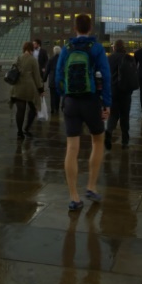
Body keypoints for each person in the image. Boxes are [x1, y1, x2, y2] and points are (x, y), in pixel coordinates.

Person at [55, 14, 111, 211]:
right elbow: (106, 76)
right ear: (90, 28)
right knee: (98, 141)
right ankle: (91, 186)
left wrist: (65, 95)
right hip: (91, 100)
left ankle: (74, 197)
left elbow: (58, 77)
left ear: (75, 28)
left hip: (71, 102)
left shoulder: (66, 48)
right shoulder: (96, 48)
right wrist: (107, 103)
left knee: (72, 148)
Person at [105, 40, 138, 150]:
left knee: (113, 114)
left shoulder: (109, 58)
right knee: (125, 115)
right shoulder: (128, 58)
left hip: (113, 90)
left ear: (114, 48)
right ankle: (125, 141)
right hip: (125, 91)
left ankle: (109, 131)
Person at [11, 40, 46, 138]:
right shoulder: (33, 60)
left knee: (20, 110)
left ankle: (19, 132)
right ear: (31, 49)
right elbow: (37, 77)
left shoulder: (18, 58)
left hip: (18, 88)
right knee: (33, 108)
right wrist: (41, 90)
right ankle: (26, 128)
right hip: (30, 88)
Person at [45, 45, 63, 115]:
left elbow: (47, 70)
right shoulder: (62, 59)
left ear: (54, 51)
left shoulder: (51, 59)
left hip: (52, 79)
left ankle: (52, 109)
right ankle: (57, 108)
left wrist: (44, 79)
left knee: (52, 95)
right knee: (58, 95)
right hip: (59, 79)